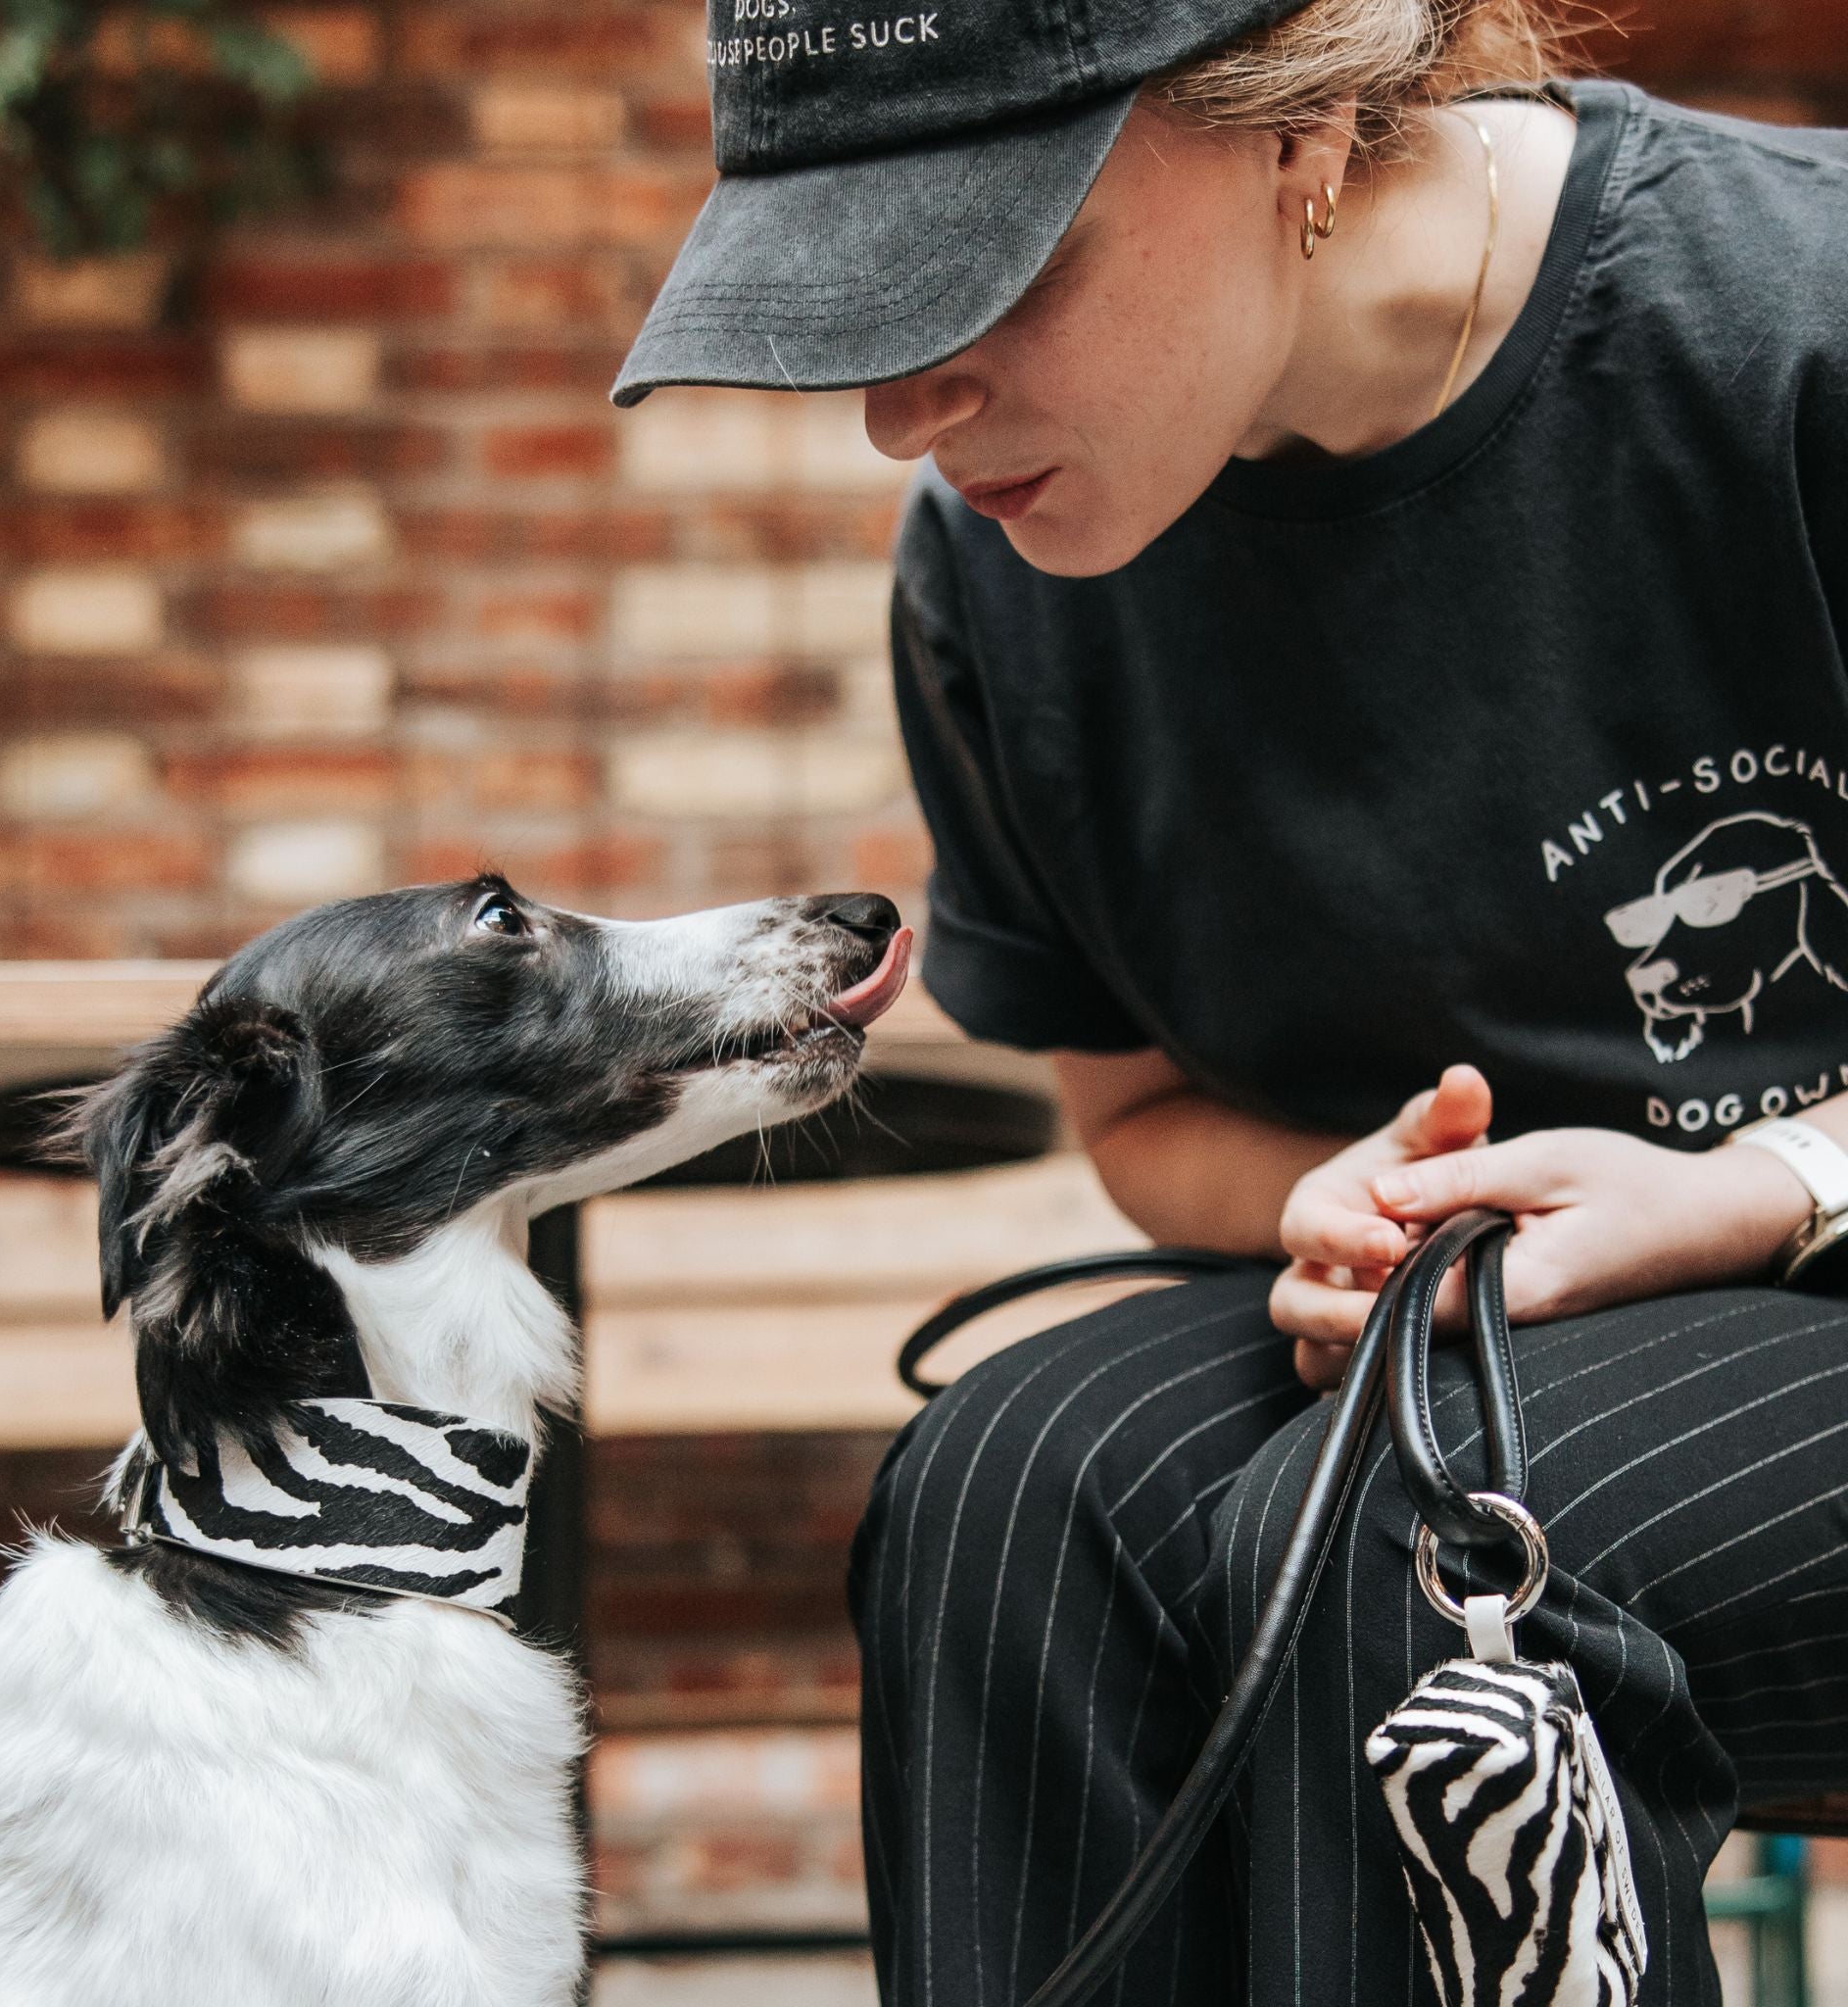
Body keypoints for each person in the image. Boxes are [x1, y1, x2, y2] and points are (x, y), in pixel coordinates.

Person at [611, 0, 1848, 1998]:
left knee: (1412, 1531)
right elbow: (1137, 1123)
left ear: (1295, 129)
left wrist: (1770, 1177)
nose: (899, 413)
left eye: (982, 272)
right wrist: (1324, 1190)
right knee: (1005, 1499)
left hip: (1758, 1294)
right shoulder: (1004, 578)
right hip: (1462, 1342)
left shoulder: (1792, 322)